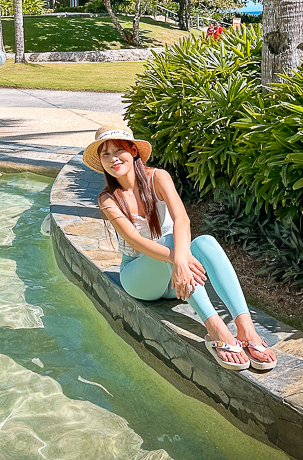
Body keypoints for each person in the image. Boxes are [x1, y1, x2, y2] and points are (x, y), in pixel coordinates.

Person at [83, 122, 277, 371]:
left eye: (117, 150)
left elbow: (182, 219)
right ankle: (216, 330)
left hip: (176, 279)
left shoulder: (158, 178)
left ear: (133, 151)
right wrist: (179, 259)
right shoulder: (107, 199)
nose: (113, 159)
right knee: (172, 242)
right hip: (140, 279)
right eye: (105, 154)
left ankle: (245, 327)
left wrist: (180, 261)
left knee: (206, 242)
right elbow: (135, 241)